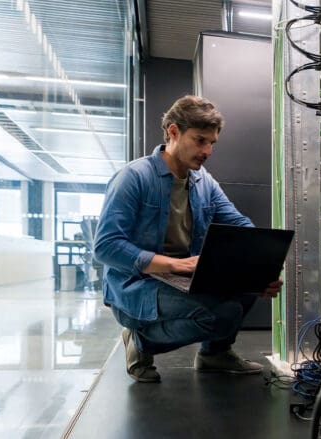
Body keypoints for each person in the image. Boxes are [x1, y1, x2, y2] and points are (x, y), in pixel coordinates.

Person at [94, 95, 282, 383]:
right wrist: (172, 265)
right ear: (173, 132)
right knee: (222, 315)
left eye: (212, 143)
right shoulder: (133, 177)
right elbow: (105, 247)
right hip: (137, 283)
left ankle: (214, 354)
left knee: (245, 290)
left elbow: (239, 225)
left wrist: (258, 269)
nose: (207, 150)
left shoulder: (204, 181)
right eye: (199, 140)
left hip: (181, 276)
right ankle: (140, 341)